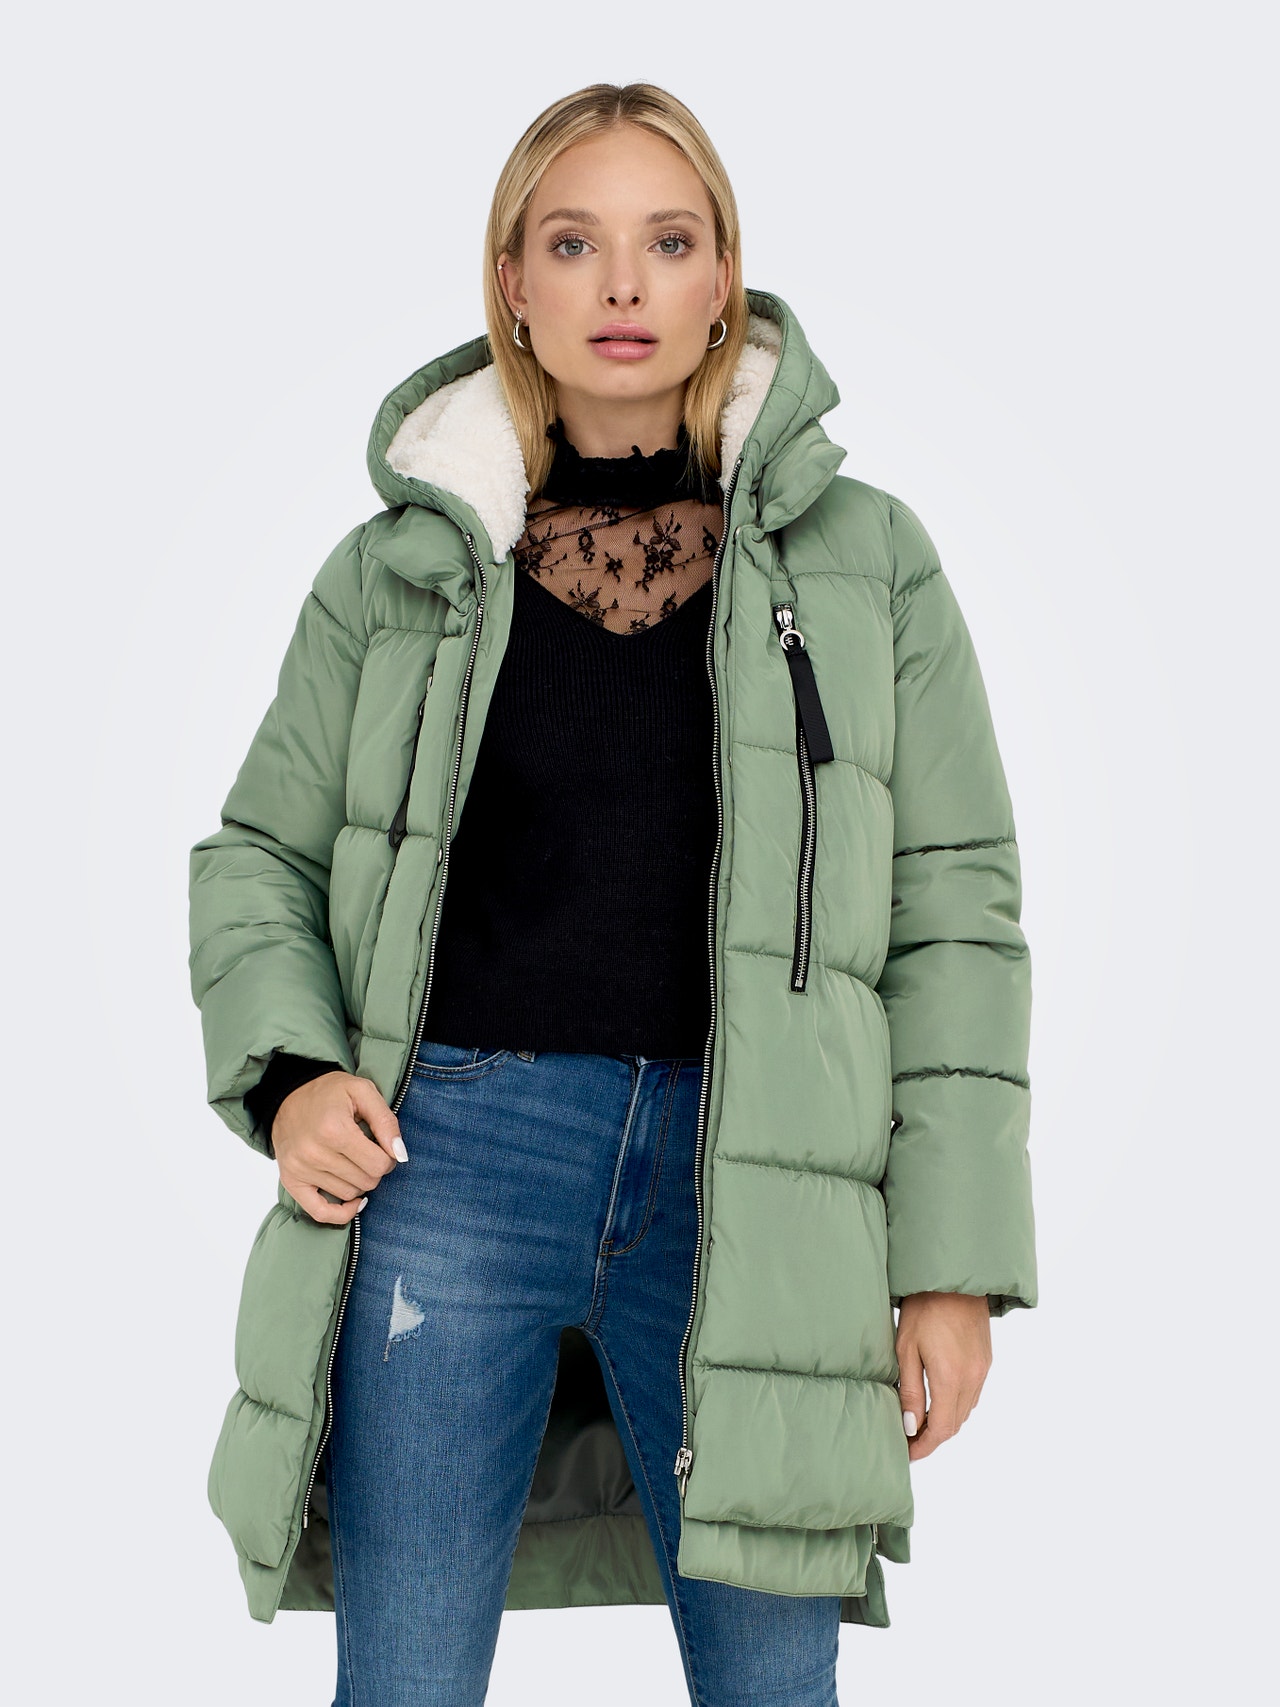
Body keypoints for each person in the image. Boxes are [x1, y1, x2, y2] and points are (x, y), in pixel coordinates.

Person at [189, 81, 1038, 1707]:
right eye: (576, 244)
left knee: (774, 1686)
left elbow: (956, 920)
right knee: (405, 1684)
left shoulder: (866, 564)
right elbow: (259, 859)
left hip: (761, 1179)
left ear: (727, 278)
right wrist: (291, 1078)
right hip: (451, 1164)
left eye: (671, 240)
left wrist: (951, 1263)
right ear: (513, 281)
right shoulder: (397, 573)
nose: (626, 285)